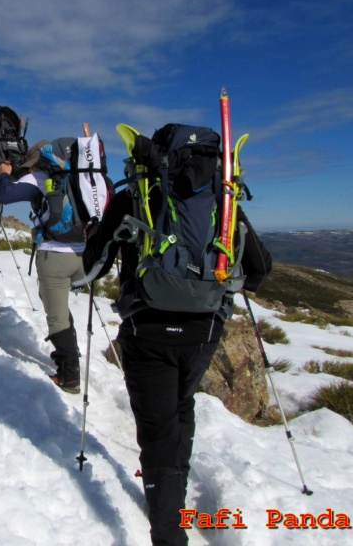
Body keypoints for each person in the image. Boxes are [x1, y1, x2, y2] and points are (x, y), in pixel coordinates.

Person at [81, 189, 272, 545]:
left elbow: (95, 266)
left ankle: (168, 531)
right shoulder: (221, 200)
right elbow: (260, 268)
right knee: (181, 404)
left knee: (158, 430)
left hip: (147, 330)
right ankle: (172, 497)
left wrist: (94, 236)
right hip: (203, 331)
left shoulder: (131, 196)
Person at [0, 144, 84, 392]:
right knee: (59, 307)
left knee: (56, 316)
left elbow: (4, 195)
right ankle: (70, 355)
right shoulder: (73, 179)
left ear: (35, 163)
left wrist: (3, 173)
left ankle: (70, 375)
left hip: (55, 255)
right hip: (81, 254)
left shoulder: (37, 178)